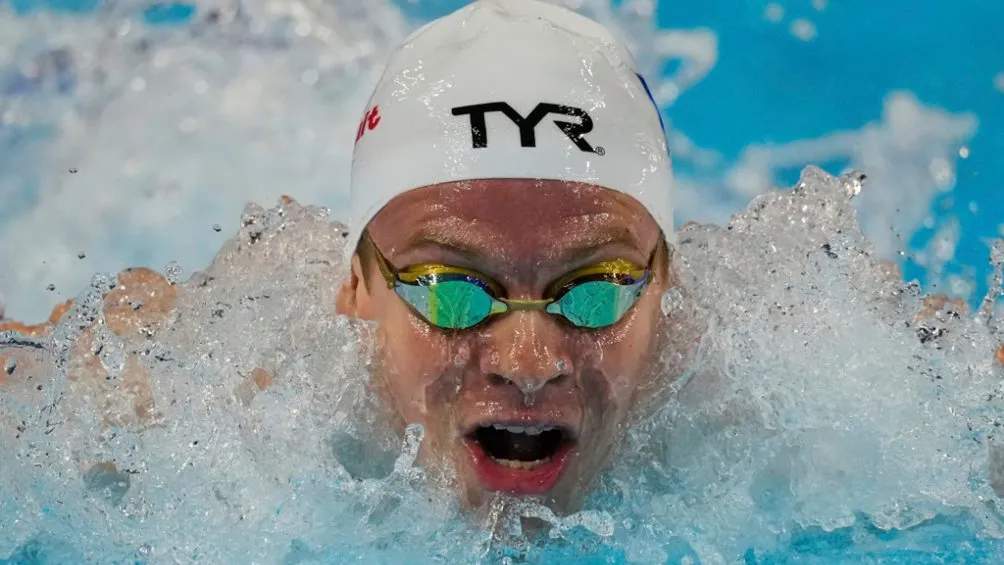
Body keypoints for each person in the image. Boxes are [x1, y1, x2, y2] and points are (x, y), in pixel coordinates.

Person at [334, 0, 678, 512]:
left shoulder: (765, 418)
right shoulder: (246, 415)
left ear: (667, 289)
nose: (528, 366)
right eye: (450, 293)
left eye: (596, 292)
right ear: (356, 292)